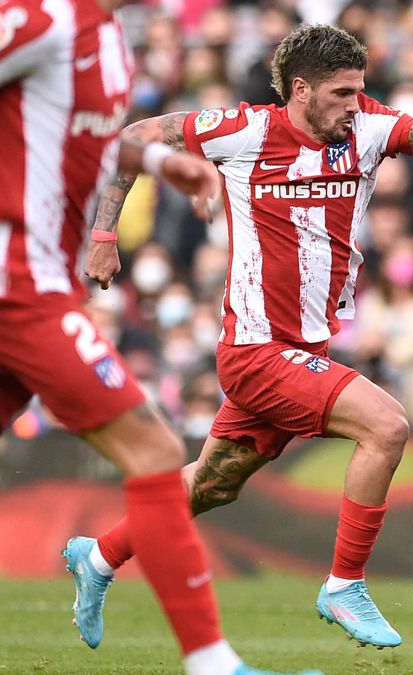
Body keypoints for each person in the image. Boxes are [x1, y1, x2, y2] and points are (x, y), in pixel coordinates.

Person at [67, 24, 413, 651]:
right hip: (255, 351)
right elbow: (133, 139)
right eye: (340, 93)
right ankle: (343, 584)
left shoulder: (365, 131)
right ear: (300, 90)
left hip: (306, 352)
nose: (354, 105)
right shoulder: (245, 130)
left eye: (360, 91)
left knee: (212, 483)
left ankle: (97, 559)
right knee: (387, 426)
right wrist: (105, 235)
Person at [1, 2, 315, 674]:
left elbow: (71, 133)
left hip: (38, 277)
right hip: (18, 285)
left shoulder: (108, 36)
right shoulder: (43, 18)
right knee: (153, 447)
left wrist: (153, 159)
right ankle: (212, 662)